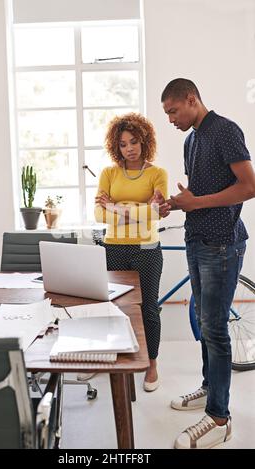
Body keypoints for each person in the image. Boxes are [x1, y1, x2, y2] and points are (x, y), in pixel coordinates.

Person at [158, 78, 255, 448]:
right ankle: (209, 388)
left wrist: (195, 204)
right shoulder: (191, 140)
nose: (169, 119)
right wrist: (175, 203)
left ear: (191, 99)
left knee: (215, 329)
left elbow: (249, 186)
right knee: (204, 322)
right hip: (197, 240)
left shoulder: (225, 130)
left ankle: (219, 417)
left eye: (172, 111)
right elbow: (200, 194)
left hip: (222, 245)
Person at [94, 112, 168, 391]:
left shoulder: (157, 174)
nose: (129, 148)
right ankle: (114, 358)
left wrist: (115, 206)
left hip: (146, 249)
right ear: (117, 146)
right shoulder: (108, 173)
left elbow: (155, 215)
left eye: (134, 142)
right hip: (113, 248)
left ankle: (152, 364)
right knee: (114, 308)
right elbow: (98, 214)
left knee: (149, 308)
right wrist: (137, 211)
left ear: (144, 141)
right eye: (123, 144)